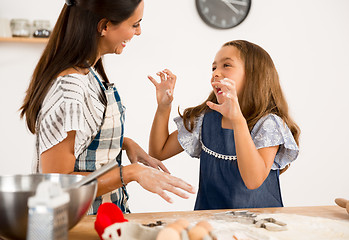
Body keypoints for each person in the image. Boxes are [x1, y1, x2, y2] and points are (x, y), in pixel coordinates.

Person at [19, 0, 195, 215]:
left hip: (102, 221)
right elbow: (57, 186)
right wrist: (130, 173)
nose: (138, 32)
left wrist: (124, 143)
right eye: (134, 24)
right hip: (74, 227)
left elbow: (83, 141)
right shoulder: (70, 92)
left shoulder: (88, 72)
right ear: (104, 26)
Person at [148, 40, 300, 210]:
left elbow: (253, 181)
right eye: (214, 68)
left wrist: (238, 121)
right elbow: (158, 152)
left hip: (258, 226)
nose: (216, 73)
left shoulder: (268, 124)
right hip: (210, 225)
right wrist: (163, 107)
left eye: (226, 65)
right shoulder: (204, 119)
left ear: (254, 75)